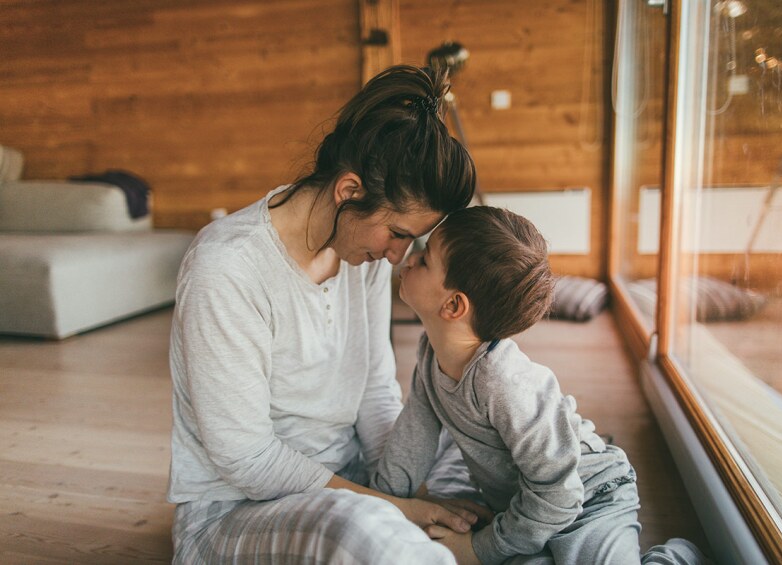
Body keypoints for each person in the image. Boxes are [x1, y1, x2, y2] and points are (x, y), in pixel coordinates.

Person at [167, 65, 489, 564]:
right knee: (360, 531)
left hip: (353, 479)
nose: (399, 257)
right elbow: (246, 459)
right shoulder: (226, 267)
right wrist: (399, 509)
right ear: (349, 191)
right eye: (398, 234)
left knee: (481, 450)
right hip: (237, 509)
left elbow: (374, 391)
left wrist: (416, 494)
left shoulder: (363, 255)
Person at [371, 206, 711, 565]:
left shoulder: (503, 382)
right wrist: (381, 503)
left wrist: (480, 548)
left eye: (425, 259)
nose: (410, 258)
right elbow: (414, 436)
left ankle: (679, 558)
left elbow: (560, 494)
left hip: (588, 498)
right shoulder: (431, 354)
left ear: (454, 305)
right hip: (523, 509)